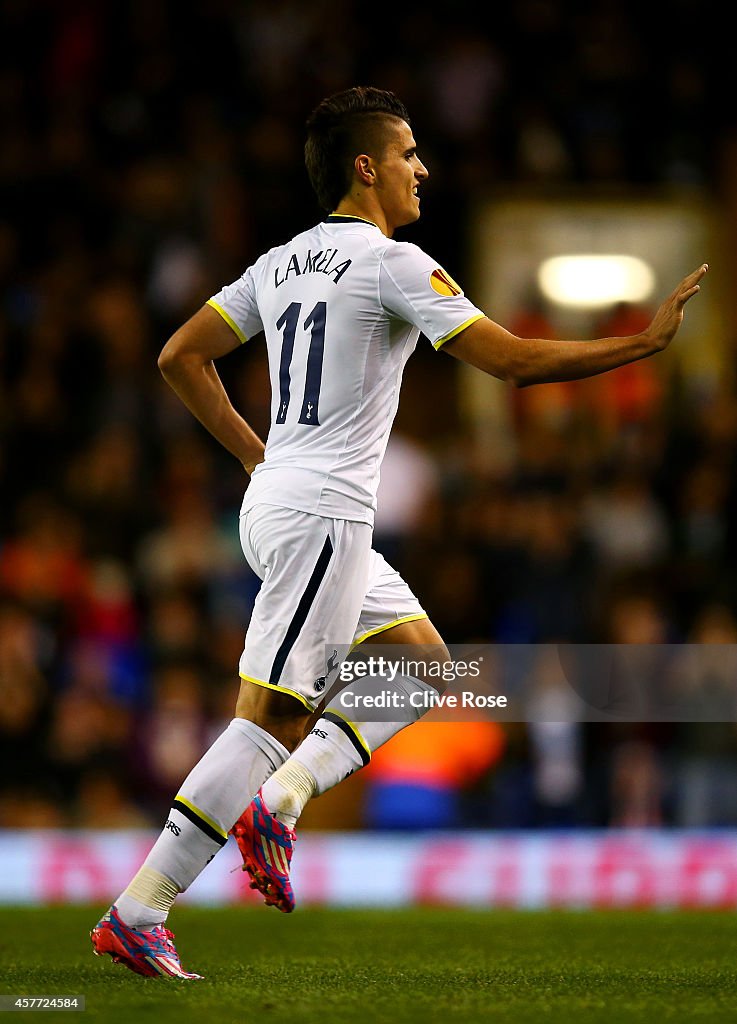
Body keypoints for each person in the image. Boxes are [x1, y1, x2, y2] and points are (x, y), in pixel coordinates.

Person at [90, 85, 707, 979]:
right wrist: (640, 347)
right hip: (324, 513)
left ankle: (285, 800)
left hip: (282, 502)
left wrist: (259, 457)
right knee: (268, 717)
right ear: (366, 166)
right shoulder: (393, 262)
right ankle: (139, 909)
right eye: (409, 153)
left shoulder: (280, 262)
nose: (424, 168)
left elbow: (179, 356)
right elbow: (514, 362)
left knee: (422, 665)